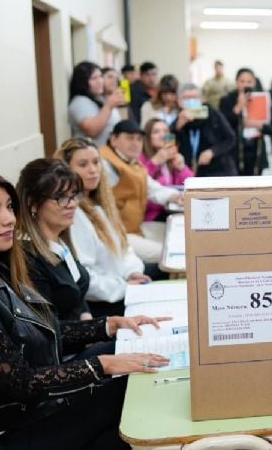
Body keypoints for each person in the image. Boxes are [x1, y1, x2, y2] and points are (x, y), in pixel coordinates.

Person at [0, 167, 172, 449]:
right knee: (123, 395)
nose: (9, 219)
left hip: (21, 417)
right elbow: (22, 383)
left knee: (125, 380)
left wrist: (107, 325)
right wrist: (102, 366)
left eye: (9, 207)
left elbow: (36, 333)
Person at [56, 138, 159, 317]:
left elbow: (124, 248)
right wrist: (124, 287)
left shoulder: (102, 203)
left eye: (96, 162)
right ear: (66, 170)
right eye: (83, 164)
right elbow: (86, 280)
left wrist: (132, 272)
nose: (93, 170)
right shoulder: (74, 214)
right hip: (105, 302)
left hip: (123, 284)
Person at [16, 158, 92, 323]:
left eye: (74, 196)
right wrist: (101, 329)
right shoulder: (29, 260)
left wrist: (87, 316)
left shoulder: (60, 241)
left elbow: (77, 291)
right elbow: (49, 332)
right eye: (61, 197)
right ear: (33, 204)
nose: (72, 204)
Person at [100, 120, 181, 264]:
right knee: (172, 253)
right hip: (117, 235)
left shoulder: (133, 163)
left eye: (139, 139)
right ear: (114, 139)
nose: (136, 143)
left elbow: (153, 189)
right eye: (130, 138)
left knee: (178, 234)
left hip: (135, 228)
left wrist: (175, 196)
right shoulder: (106, 164)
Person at [173, 83, 238, 176]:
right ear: (179, 101)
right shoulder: (178, 120)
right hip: (189, 172)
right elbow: (169, 143)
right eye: (186, 98)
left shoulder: (212, 114)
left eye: (195, 97)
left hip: (218, 170)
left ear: (201, 99)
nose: (191, 101)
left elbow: (231, 139)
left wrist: (212, 152)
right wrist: (177, 127)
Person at [219, 68, 272, 176]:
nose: (245, 85)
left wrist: (258, 125)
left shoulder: (262, 99)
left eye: (249, 81)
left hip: (256, 152)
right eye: (242, 81)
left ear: (254, 82)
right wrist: (238, 107)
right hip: (235, 152)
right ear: (236, 82)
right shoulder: (227, 100)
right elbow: (223, 126)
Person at [140, 118, 193, 221]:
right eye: (156, 132)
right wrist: (154, 162)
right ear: (147, 137)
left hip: (174, 209)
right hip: (153, 215)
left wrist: (182, 168)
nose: (162, 135)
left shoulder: (172, 158)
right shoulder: (141, 157)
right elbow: (139, 182)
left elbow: (190, 184)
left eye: (166, 131)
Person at [68, 61, 124, 147]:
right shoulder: (79, 102)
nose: (100, 81)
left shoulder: (100, 99)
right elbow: (92, 131)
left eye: (100, 76)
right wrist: (109, 105)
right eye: (94, 78)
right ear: (82, 81)